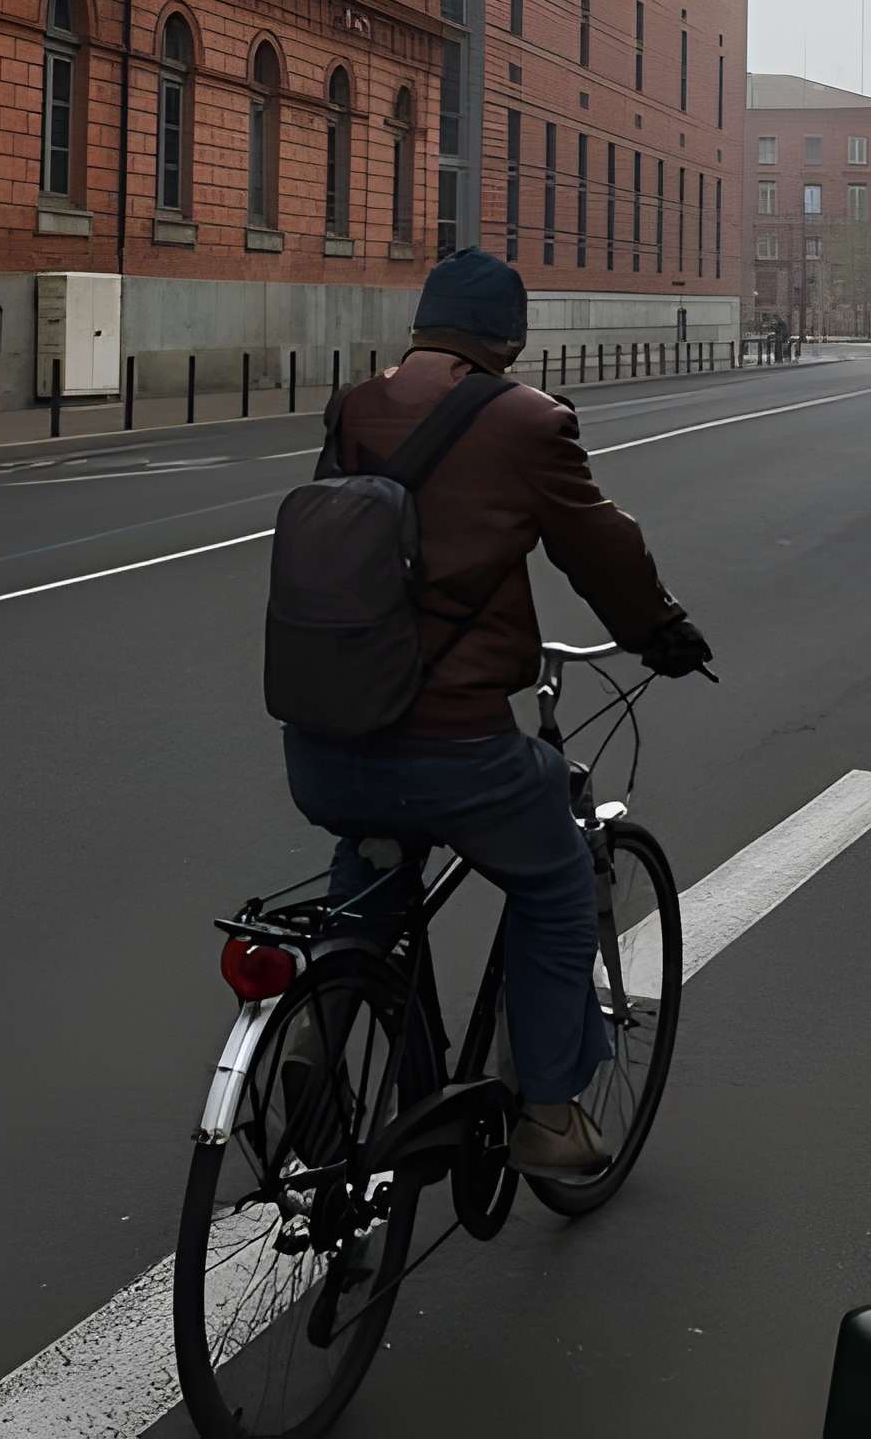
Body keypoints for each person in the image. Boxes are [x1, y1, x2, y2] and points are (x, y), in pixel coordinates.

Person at [280, 248, 711, 1176]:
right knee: (555, 884)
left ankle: (318, 1021)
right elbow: (599, 547)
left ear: (423, 324)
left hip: (324, 741)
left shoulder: (354, 407)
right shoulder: (527, 420)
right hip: (453, 749)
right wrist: (660, 633)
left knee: (373, 862)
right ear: (508, 339)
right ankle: (548, 1117)